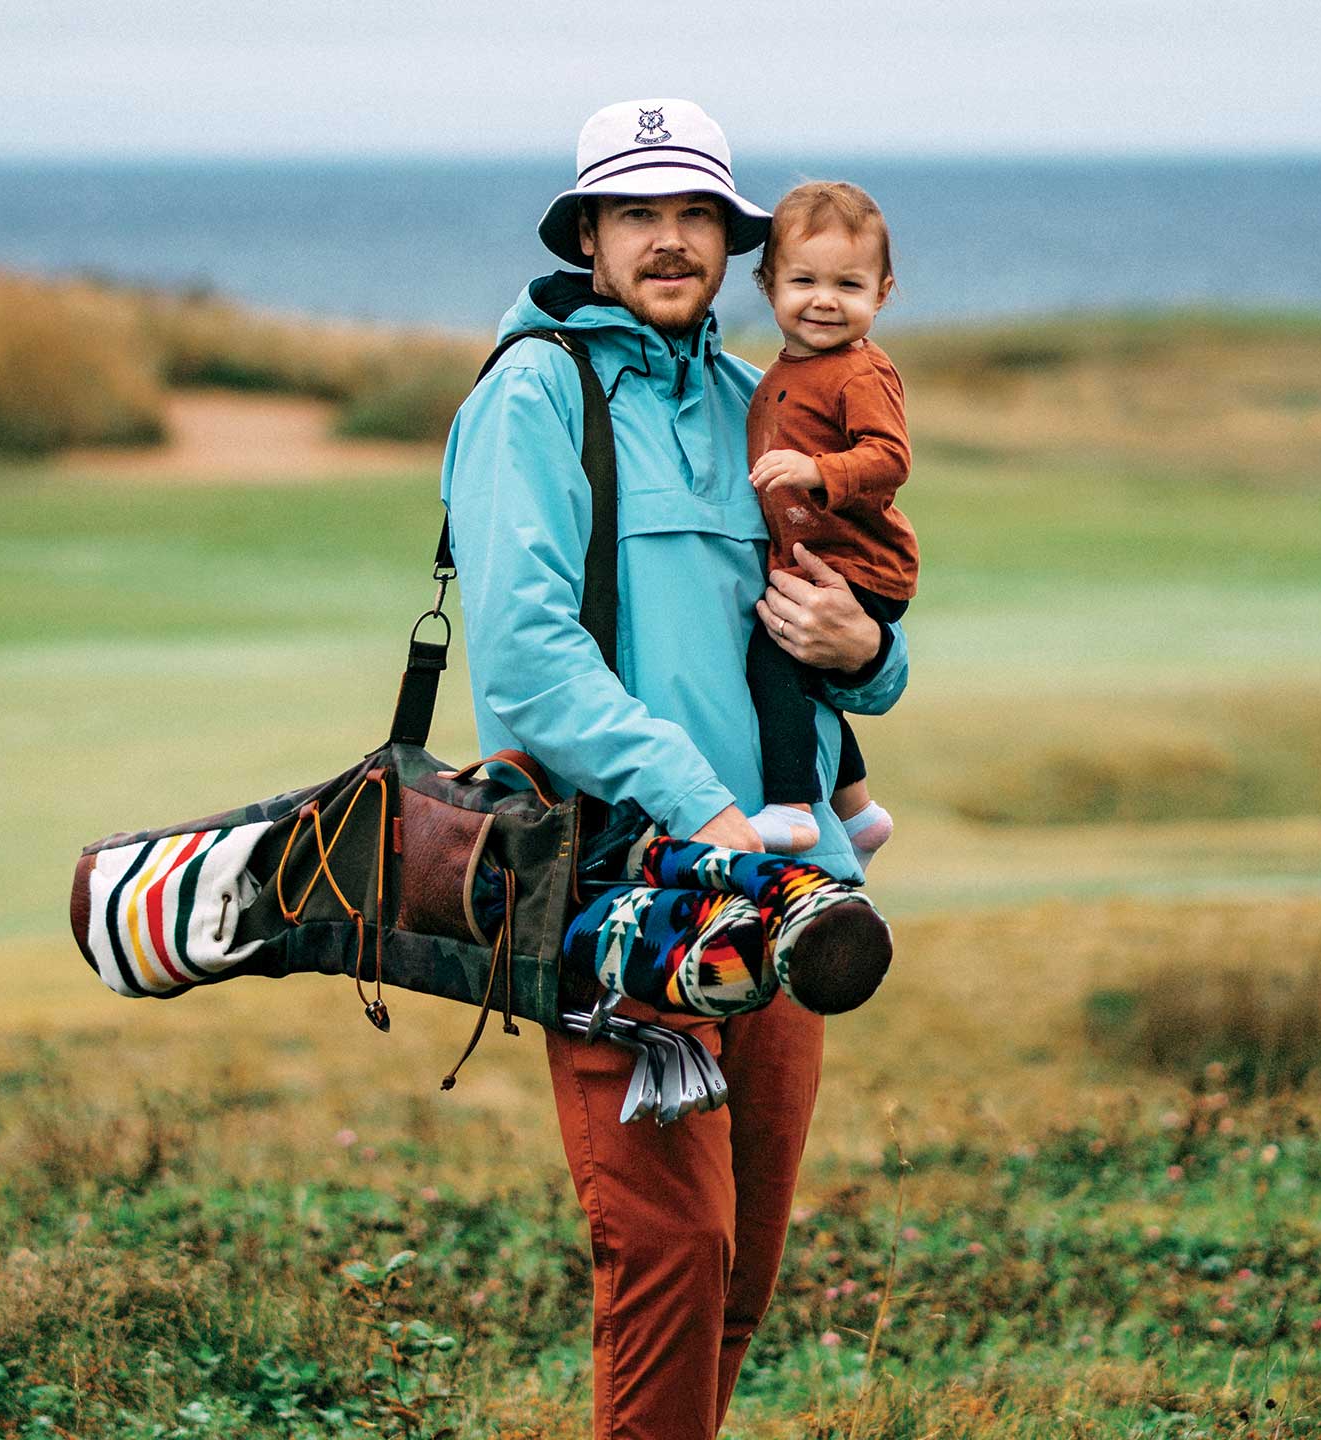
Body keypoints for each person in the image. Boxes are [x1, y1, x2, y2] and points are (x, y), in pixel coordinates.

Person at [438, 98, 908, 1440]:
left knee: (742, 1266)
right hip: (625, 890)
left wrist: (868, 650)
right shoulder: (534, 392)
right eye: (636, 212)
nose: (669, 239)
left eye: (696, 213)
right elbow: (527, 660)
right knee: (672, 1251)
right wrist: (702, 807)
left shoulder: (759, 397)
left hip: (793, 889)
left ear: (731, 239)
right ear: (587, 235)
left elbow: (847, 629)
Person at [738, 181, 917, 864]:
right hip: (822, 559)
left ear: (882, 292)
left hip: (861, 563)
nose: (825, 299)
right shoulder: (782, 372)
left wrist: (817, 471)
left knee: (773, 659)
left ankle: (793, 808)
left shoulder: (858, 373)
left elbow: (891, 459)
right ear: (768, 284)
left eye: (849, 284)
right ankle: (859, 813)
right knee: (806, 682)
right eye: (804, 280)